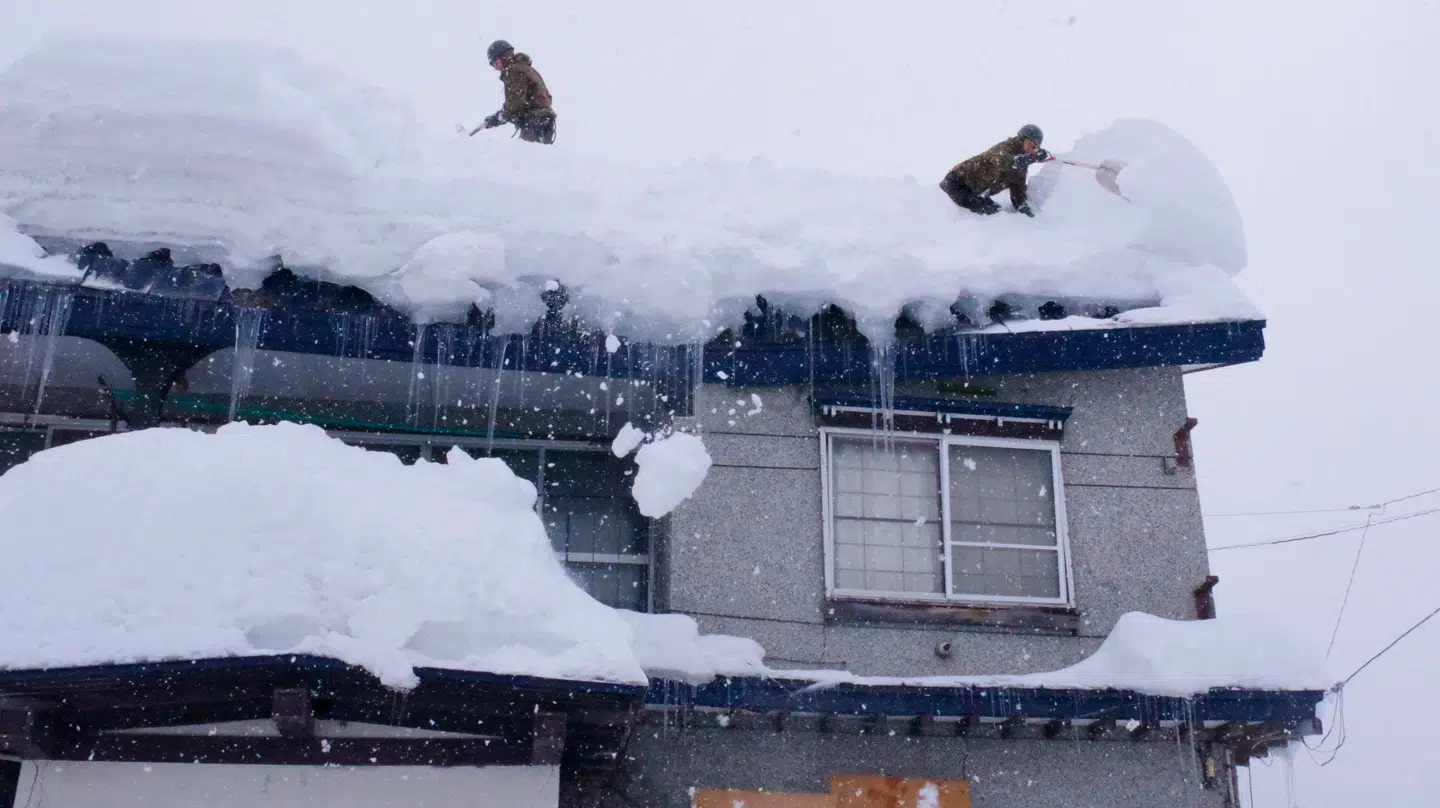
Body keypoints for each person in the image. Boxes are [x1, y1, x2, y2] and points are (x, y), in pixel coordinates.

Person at [939, 124, 1052, 217]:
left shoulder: (1021, 165)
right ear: (1022, 139)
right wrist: (1032, 157)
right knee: (991, 213)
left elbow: (1018, 189)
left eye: (1035, 148)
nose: (1032, 150)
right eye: (1031, 145)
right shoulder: (1004, 148)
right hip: (956, 184)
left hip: (975, 192)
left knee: (996, 209)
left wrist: (1022, 206)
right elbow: (1006, 162)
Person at [470, 40, 556, 144]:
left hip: (535, 121)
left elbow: (515, 102)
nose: (496, 68)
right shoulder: (526, 68)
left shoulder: (515, 71)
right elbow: (543, 98)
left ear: (501, 59)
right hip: (544, 120)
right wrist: (518, 115)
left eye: (494, 64)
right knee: (539, 156)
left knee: (527, 156)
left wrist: (499, 118)